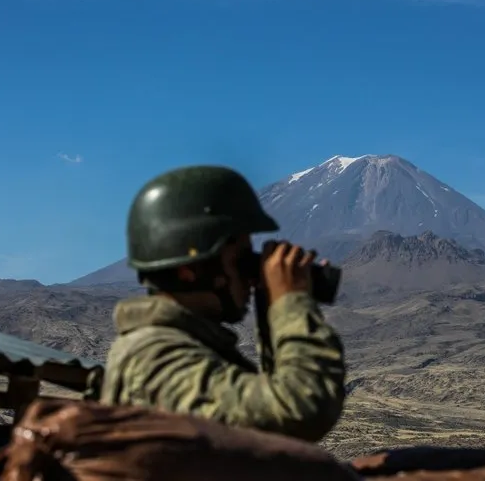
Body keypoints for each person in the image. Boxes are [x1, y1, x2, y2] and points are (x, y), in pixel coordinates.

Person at [98, 165, 347, 443]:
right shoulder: (152, 357)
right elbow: (303, 411)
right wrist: (290, 303)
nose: (251, 277)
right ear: (191, 270)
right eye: (241, 260)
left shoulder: (185, 345)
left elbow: (273, 433)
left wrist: (271, 305)